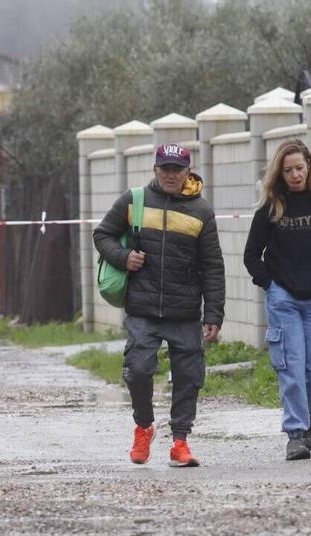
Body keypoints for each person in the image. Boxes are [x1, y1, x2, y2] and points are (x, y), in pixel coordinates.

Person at [93, 143, 225, 467]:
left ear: (187, 172)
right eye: (164, 169)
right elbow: (102, 235)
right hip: (142, 309)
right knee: (137, 371)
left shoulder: (201, 212)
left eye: (177, 170)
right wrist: (125, 258)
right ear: (155, 170)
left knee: (189, 376)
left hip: (185, 312)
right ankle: (144, 426)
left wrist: (214, 314)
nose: (170, 175)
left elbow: (213, 266)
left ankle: (180, 441)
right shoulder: (134, 200)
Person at [243, 139, 311, 461]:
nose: (295, 175)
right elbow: (251, 255)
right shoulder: (272, 206)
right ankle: (296, 434)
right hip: (284, 298)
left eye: (299, 168)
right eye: (288, 170)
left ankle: (307, 412)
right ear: (280, 172)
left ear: (309, 167)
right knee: (291, 368)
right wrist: (271, 286)